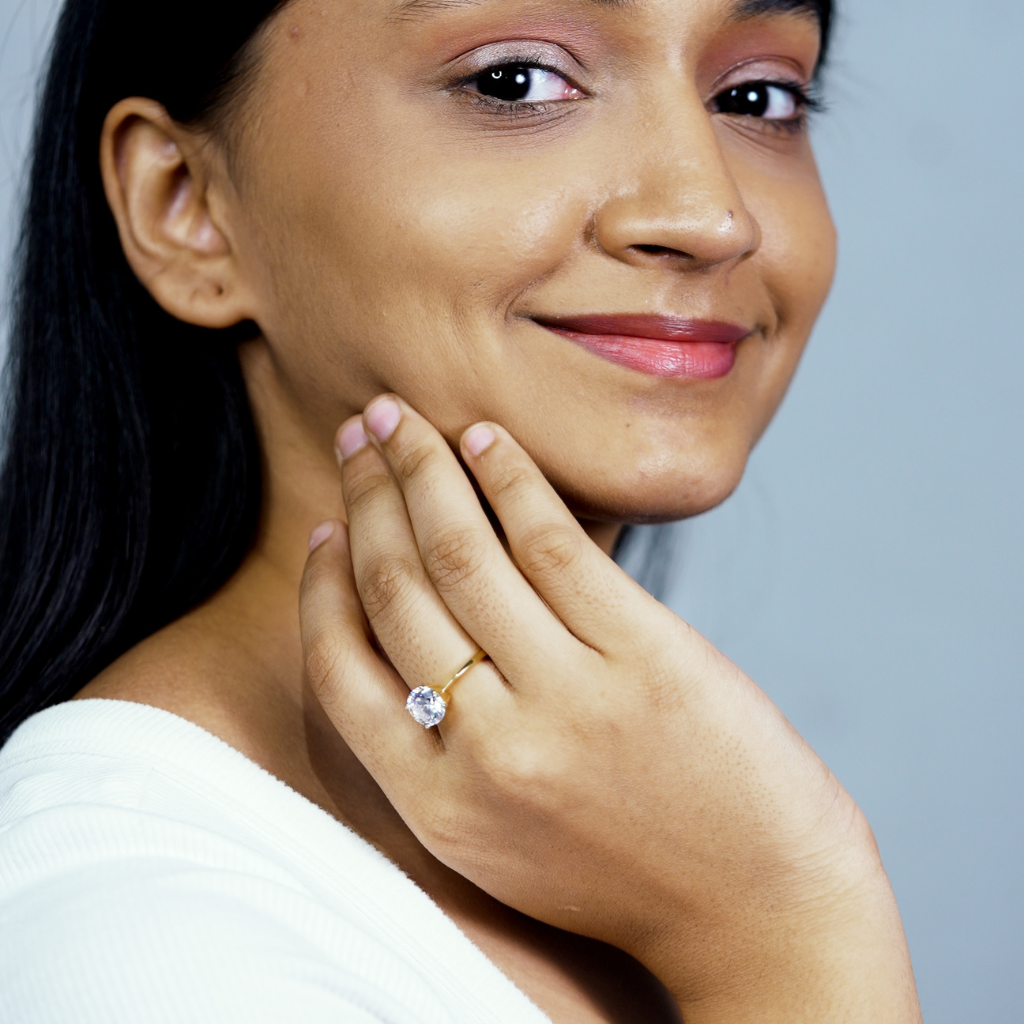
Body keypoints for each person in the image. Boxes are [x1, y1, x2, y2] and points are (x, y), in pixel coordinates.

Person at [0, 0, 922, 1021]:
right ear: (188, 206)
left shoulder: (656, 843)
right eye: (514, 81)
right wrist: (780, 932)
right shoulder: (128, 941)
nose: (711, 215)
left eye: (757, 96)